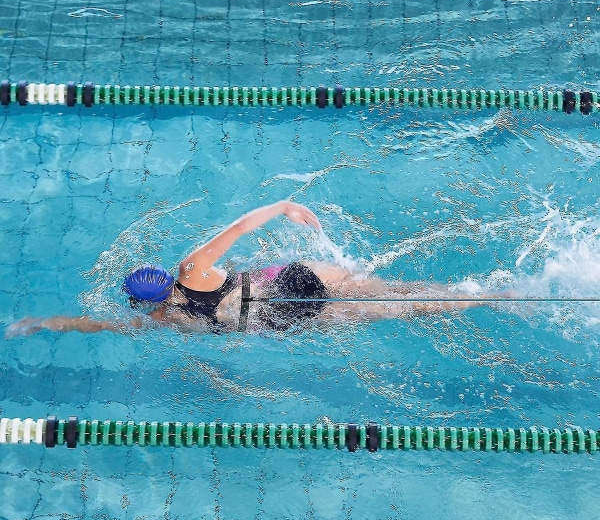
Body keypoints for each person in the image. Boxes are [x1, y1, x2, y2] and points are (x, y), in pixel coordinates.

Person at [5, 201, 495, 338]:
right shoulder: (192, 267)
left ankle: (473, 299)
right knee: (383, 287)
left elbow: (105, 325)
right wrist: (284, 206)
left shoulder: (164, 319)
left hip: (280, 317)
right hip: (288, 279)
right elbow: (240, 227)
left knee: (392, 312)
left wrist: (49, 322)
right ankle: (471, 290)